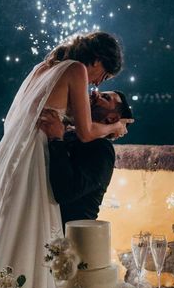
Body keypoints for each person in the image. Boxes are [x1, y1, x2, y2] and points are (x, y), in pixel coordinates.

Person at [0, 32, 134, 288]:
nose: (98, 83)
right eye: (105, 75)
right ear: (96, 60)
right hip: (37, 152)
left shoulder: (45, 67)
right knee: (28, 223)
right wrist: (115, 126)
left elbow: (23, 118)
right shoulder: (76, 70)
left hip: (14, 151)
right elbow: (85, 133)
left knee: (8, 219)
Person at [39, 90, 133, 225]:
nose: (95, 94)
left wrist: (56, 140)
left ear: (112, 118)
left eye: (105, 97)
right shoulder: (70, 133)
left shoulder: (102, 149)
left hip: (67, 239)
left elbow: (66, 192)